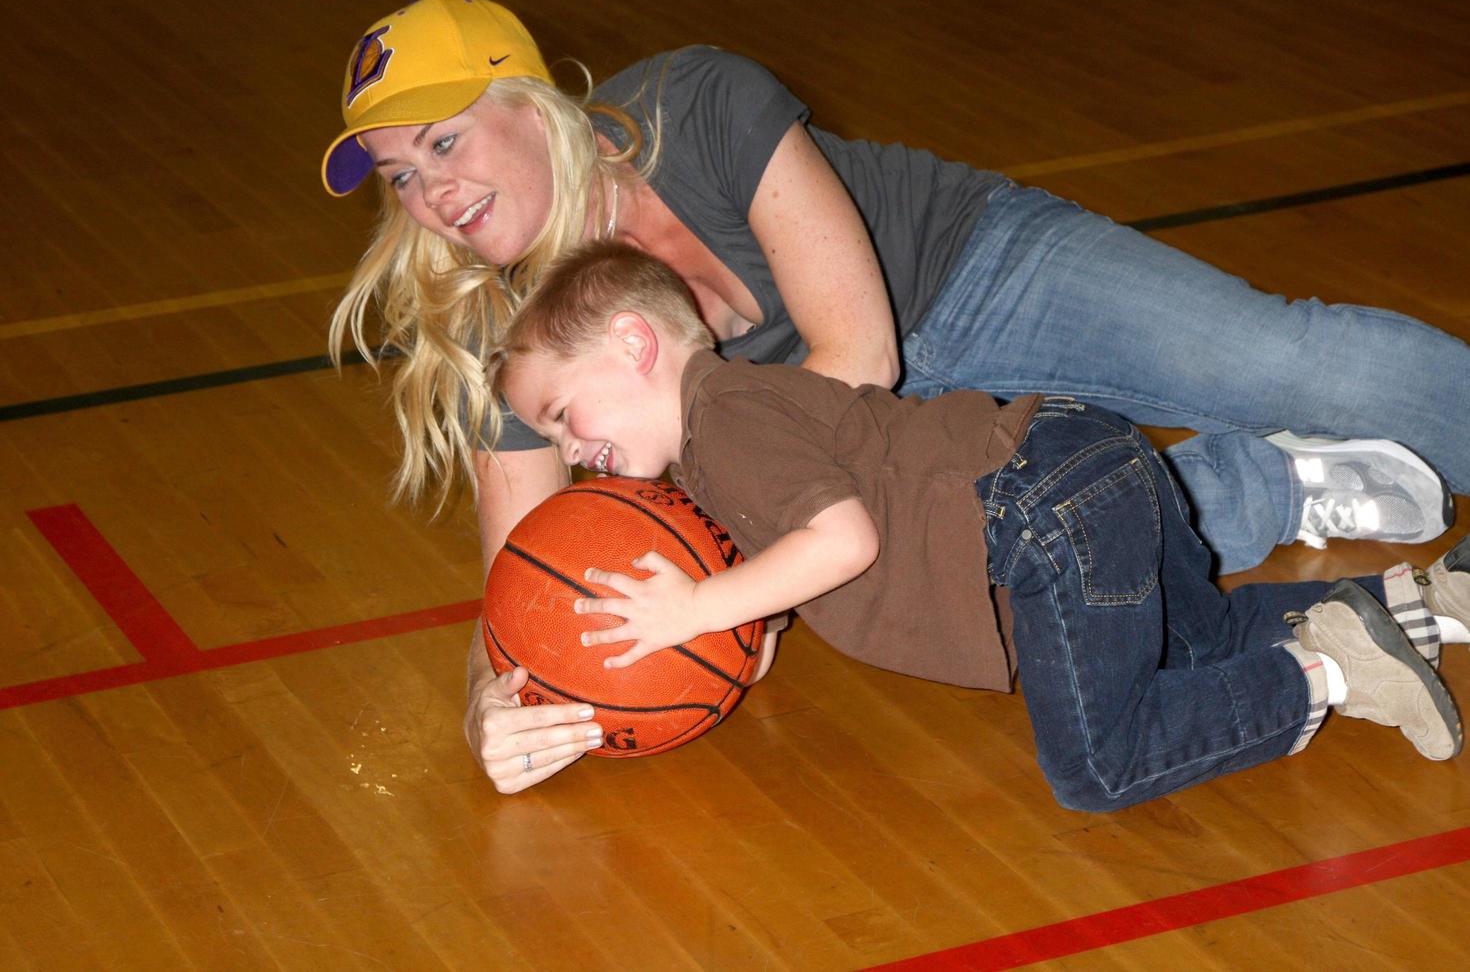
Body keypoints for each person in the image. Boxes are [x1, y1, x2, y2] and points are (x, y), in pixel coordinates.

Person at [320, 0, 1470, 790]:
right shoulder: (508, 336)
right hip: (869, 458)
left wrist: (735, 586)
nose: (432, 193)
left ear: (531, 99)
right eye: (402, 176)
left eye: (445, 140)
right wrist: (498, 698)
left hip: (963, 277)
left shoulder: (699, 103)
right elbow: (525, 573)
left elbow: (860, 353)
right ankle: (1252, 479)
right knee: (1044, 573)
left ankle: (1251, 465)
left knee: (1287, 359)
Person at [491, 240, 1468, 810]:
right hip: (1083, 460)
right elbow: (801, 565)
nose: (573, 451)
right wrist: (731, 629)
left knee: (1101, 761)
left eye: (565, 415)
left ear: (631, 343)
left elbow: (842, 542)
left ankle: (1335, 664)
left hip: (1045, 515)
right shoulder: (739, 420)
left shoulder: (725, 419)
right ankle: (1419, 598)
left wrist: (696, 605)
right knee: (1196, 636)